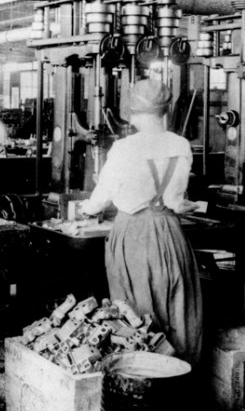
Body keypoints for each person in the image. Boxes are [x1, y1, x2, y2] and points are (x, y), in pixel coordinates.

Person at [79, 78, 202, 365]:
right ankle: (179, 376)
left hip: (132, 235)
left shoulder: (123, 148)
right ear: (166, 110)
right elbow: (176, 202)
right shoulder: (180, 144)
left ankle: (142, 379)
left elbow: (100, 200)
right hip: (169, 232)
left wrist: (86, 208)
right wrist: (192, 205)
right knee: (176, 307)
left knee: (134, 314)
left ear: (133, 111)